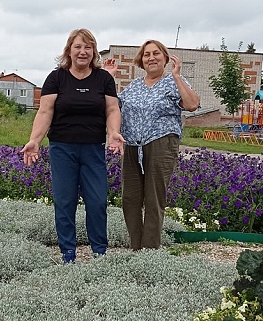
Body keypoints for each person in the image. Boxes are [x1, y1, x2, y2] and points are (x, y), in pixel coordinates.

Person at [21, 28, 125, 264]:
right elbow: (45, 110)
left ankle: (99, 252)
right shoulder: (56, 78)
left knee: (97, 201)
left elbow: (111, 109)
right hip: (62, 148)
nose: (83, 52)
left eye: (88, 47)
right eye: (78, 46)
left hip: (93, 149)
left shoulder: (104, 79)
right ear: (69, 50)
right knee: (65, 202)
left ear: (94, 52)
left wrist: (114, 133)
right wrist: (35, 140)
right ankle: (68, 252)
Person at [106, 40, 200, 250]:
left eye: (156, 53)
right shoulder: (134, 86)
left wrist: (177, 77)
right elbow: (113, 106)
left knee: (153, 197)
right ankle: (136, 246)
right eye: (146, 54)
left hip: (161, 143)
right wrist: (109, 78)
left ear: (165, 58)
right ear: (141, 60)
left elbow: (192, 104)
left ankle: (150, 250)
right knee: (130, 197)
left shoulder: (173, 81)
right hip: (132, 145)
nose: (151, 58)